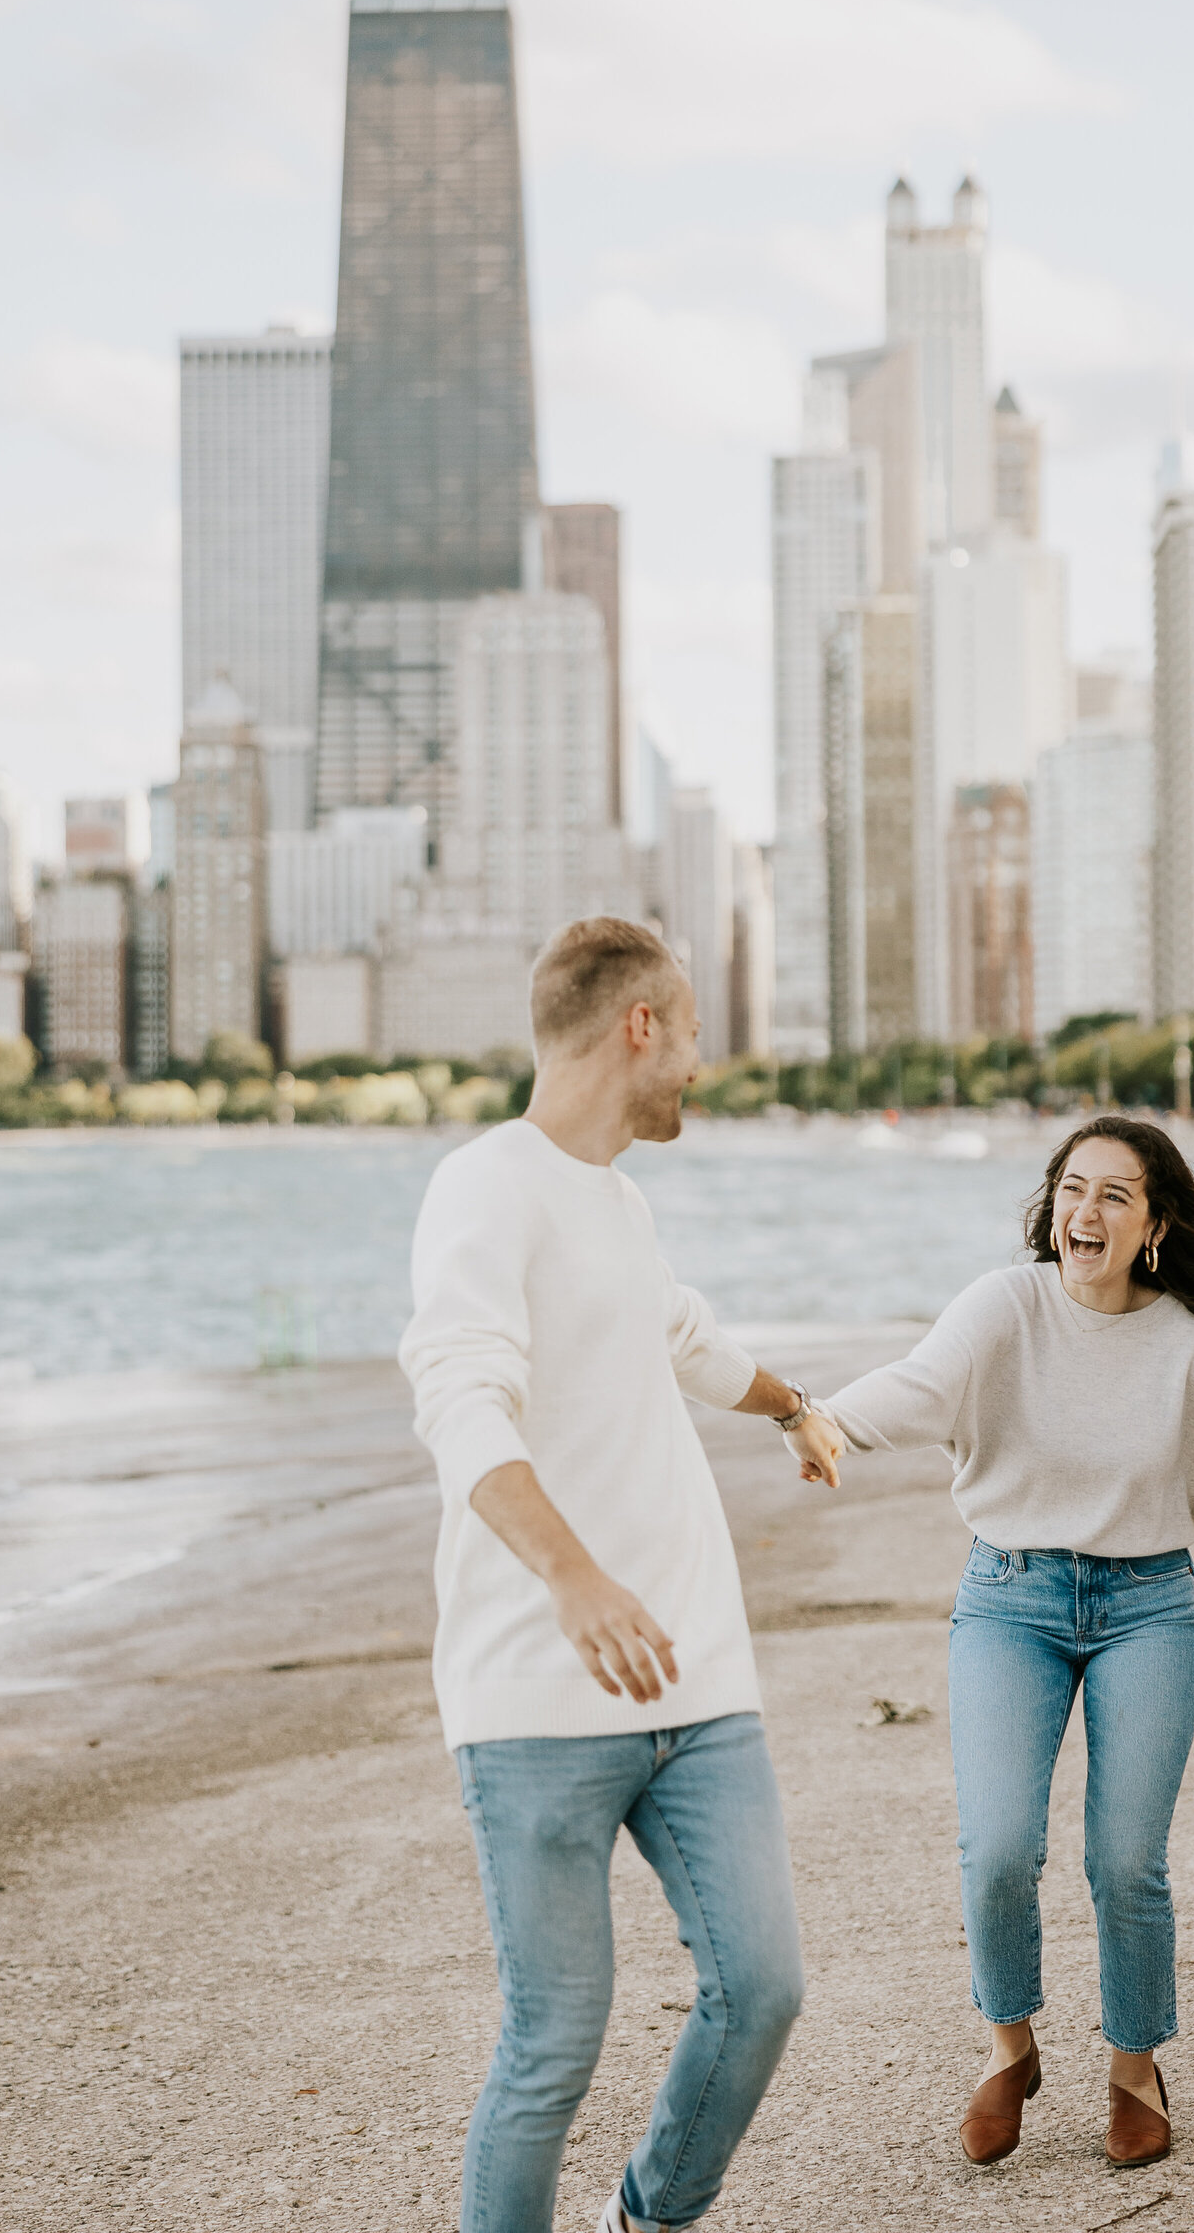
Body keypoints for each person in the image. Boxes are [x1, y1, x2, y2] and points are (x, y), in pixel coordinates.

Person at [816, 1115, 1194, 2172]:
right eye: (1071, 1189)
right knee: (999, 1846)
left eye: (1113, 1195)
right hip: (1008, 1600)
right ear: (1049, 1207)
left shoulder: (1189, 1351)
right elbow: (920, 1385)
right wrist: (821, 1417)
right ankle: (1008, 2046)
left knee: (1124, 1862)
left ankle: (1133, 2069)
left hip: (1149, 1609)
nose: (1084, 1212)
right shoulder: (1002, 1309)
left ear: (1152, 1225)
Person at [399, 917, 843, 2233]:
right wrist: (574, 1579)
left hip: (698, 1686)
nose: (703, 1061)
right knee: (553, 2048)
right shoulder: (486, 1186)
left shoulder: (622, 1201)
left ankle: (646, 2218)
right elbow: (461, 1405)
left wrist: (789, 1404)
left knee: (762, 1988)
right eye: (695, 1030)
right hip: (538, 1703)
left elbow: (685, 1337)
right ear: (638, 1026)